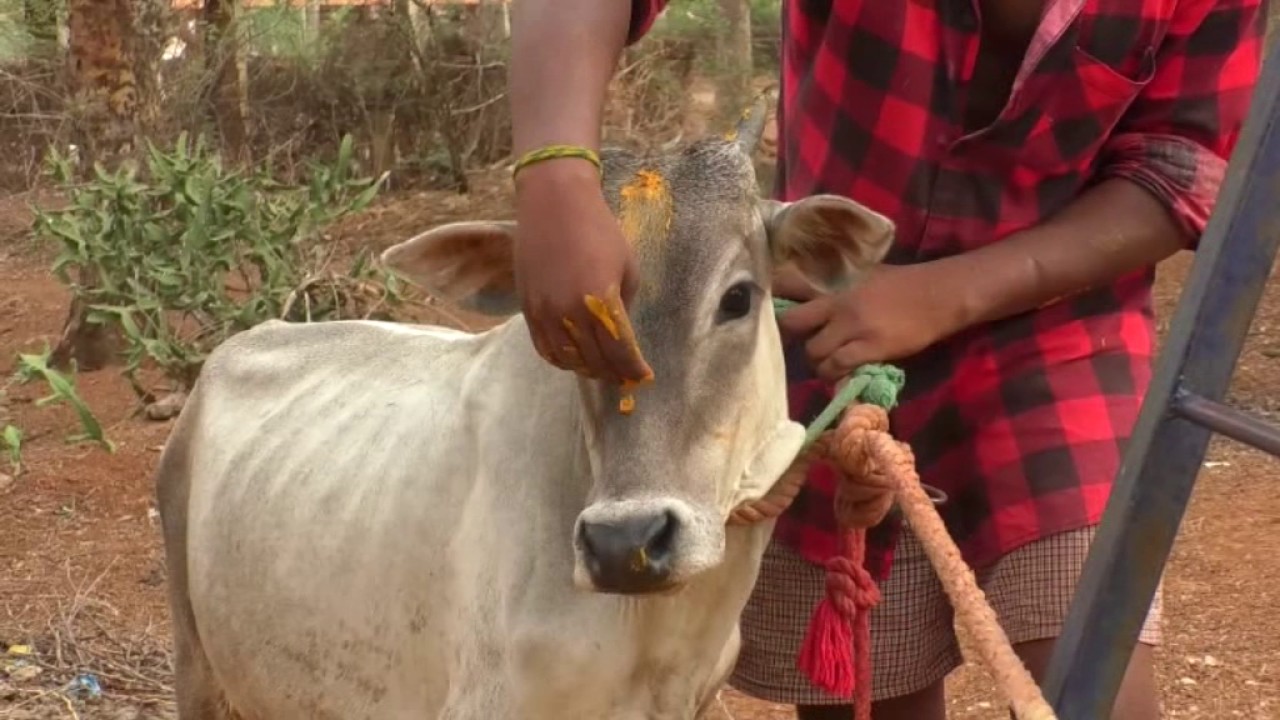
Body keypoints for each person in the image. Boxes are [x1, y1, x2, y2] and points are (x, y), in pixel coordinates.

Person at [506, 1, 1264, 718]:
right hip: (825, 338)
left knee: (1096, 686)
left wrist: (943, 294)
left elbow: (1176, 168)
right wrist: (557, 174)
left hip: (1060, 335)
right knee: (863, 685)